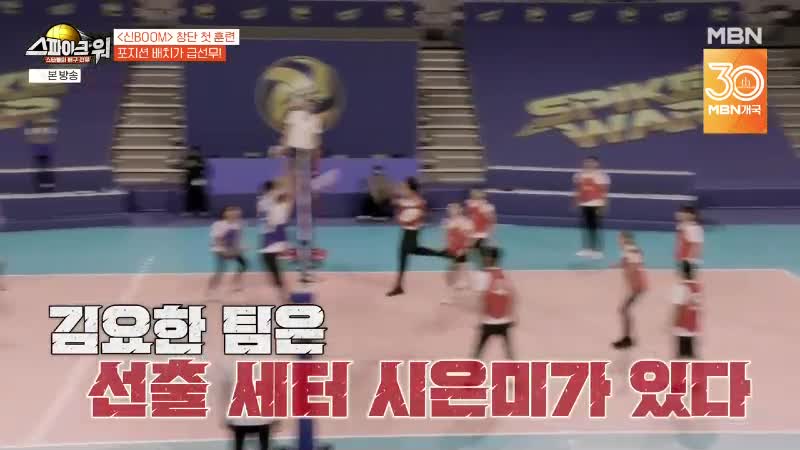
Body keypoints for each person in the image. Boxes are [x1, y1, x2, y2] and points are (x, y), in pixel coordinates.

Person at [386, 177, 448, 297]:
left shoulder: (418, 202)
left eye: (405, 187)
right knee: (404, 255)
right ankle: (398, 286)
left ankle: (440, 253)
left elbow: (411, 218)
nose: (403, 188)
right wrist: (393, 195)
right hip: (407, 231)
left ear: (410, 188)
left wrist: (401, 218)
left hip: (412, 232)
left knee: (409, 251)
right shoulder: (407, 200)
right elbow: (395, 203)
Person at [219, 357, 277, 450]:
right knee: (263, 444)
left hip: (242, 419)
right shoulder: (264, 366)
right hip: (259, 419)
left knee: (239, 444)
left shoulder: (232, 365)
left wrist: (227, 418)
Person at [473, 246, 516, 359]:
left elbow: (482, 298)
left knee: (478, 352)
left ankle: (473, 367)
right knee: (509, 353)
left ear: (489, 259)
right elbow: (511, 296)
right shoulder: (503, 274)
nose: (483, 259)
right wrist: (512, 316)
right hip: (504, 321)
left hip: (489, 321)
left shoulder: (483, 275)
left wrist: (480, 317)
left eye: (484, 257)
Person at [257, 180, 293, 302]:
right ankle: (284, 293)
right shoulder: (267, 202)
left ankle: (284, 294)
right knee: (273, 267)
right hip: (271, 238)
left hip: (274, 239)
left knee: (274, 267)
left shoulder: (272, 203)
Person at [611, 231, 648, 350]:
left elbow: (633, 267)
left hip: (637, 286)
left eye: (620, 239)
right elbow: (627, 262)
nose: (618, 241)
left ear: (625, 239)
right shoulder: (631, 250)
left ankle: (627, 339)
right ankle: (628, 337)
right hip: (637, 286)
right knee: (625, 310)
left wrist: (629, 278)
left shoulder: (630, 250)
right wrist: (617, 265)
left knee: (624, 310)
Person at [573, 156, 610, 259]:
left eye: (592, 162)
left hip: (596, 204)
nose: (589, 164)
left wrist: (604, 205)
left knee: (595, 228)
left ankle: (598, 251)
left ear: (597, 164)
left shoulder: (602, 176)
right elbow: (578, 190)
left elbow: (604, 192)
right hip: (584, 204)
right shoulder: (579, 175)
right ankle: (587, 250)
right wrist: (576, 201)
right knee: (585, 228)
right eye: (587, 162)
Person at [207, 206, 247, 296]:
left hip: (232, 249)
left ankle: (235, 281)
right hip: (220, 250)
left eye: (234, 212)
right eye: (229, 211)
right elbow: (217, 240)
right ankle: (211, 290)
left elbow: (237, 239)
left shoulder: (238, 225)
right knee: (220, 271)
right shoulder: (218, 224)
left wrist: (240, 247)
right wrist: (224, 250)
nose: (233, 214)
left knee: (244, 264)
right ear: (224, 214)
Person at [442, 203, 474, 304]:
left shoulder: (465, 222)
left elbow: (469, 237)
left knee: (451, 275)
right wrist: (447, 247)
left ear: (460, 210)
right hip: (453, 250)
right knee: (463, 267)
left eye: (454, 209)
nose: (451, 210)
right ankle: (470, 283)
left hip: (460, 250)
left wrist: (464, 249)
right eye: (450, 209)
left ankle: (449, 297)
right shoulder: (448, 222)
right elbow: (447, 236)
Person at [673, 263, 701, 359]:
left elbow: (678, 308)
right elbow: (697, 307)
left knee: (680, 357)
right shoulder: (696, 288)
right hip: (692, 327)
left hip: (682, 327)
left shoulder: (680, 287)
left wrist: (674, 323)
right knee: (691, 355)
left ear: (683, 273)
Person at [24, 119, 57, 192]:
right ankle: (45, 185)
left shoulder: (41, 132)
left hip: (42, 154)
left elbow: (29, 137)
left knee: (43, 169)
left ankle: (46, 185)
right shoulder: (42, 132)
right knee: (43, 169)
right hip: (41, 154)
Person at [465, 189, 496, 260]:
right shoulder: (471, 205)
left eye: (477, 198)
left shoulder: (488, 208)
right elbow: (469, 215)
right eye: (473, 198)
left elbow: (491, 221)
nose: (474, 200)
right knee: (470, 249)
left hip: (482, 233)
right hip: (473, 232)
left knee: (478, 249)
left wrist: (491, 234)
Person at [675, 205, 704, 276]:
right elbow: (680, 244)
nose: (681, 214)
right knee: (684, 279)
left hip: (689, 261)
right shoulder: (682, 226)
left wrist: (690, 262)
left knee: (688, 280)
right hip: (683, 259)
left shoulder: (693, 228)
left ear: (690, 215)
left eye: (683, 213)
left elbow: (695, 246)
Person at [182, 146, 209, 216]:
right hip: (190, 178)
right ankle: (189, 211)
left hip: (198, 178)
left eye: (196, 151)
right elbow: (186, 166)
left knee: (200, 194)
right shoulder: (188, 158)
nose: (194, 152)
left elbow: (202, 167)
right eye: (193, 151)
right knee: (190, 195)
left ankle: (203, 210)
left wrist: (194, 164)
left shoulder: (200, 159)